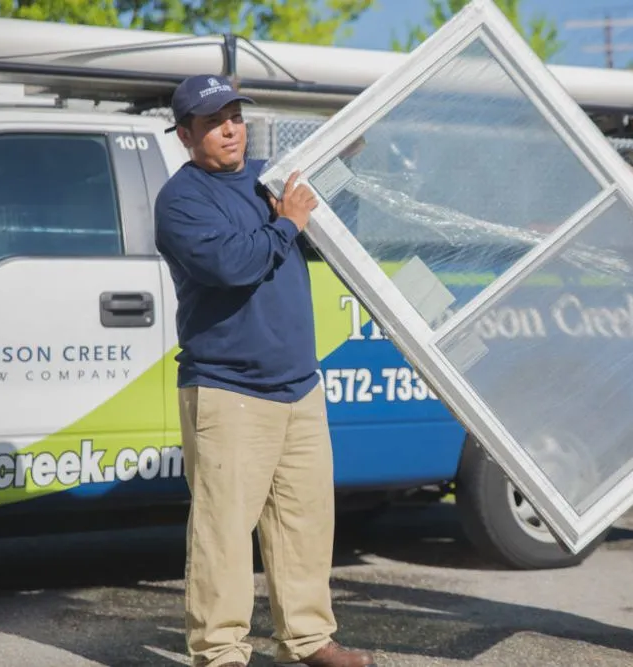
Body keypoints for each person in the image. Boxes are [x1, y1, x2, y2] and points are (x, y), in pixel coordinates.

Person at [154, 74, 379, 667]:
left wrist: (340, 173)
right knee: (223, 535)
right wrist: (287, 223)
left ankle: (308, 640)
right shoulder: (181, 201)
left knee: (304, 524)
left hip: (298, 386)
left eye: (235, 116)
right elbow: (233, 264)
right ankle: (220, 652)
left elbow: (323, 236)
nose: (231, 129)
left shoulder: (267, 180)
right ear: (185, 135)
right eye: (213, 122)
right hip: (230, 390)